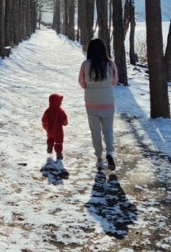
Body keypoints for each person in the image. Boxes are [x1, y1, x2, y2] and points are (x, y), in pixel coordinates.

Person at [78, 38, 118, 172]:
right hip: (108, 102)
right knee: (108, 130)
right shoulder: (110, 64)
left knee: (95, 131)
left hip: (91, 103)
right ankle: (110, 153)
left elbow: (82, 83)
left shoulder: (85, 65)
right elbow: (114, 82)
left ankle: (99, 159)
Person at [41, 93, 69, 177]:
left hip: (49, 129)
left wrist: (45, 127)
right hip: (58, 130)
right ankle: (58, 153)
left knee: (50, 138)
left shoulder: (47, 110)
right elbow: (64, 120)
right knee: (59, 141)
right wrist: (65, 123)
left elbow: (44, 120)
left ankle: (49, 148)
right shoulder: (60, 111)